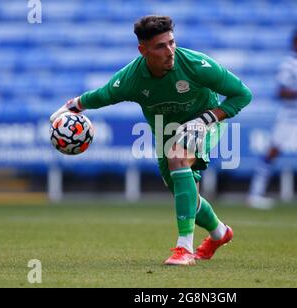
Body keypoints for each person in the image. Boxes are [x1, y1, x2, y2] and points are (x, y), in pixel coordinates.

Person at [50, 16, 252, 265]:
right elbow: (102, 95)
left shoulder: (197, 65)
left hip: (205, 121)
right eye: (160, 46)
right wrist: (70, 107)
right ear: (143, 50)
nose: (170, 51)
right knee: (185, 197)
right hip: (166, 133)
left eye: (172, 43)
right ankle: (220, 233)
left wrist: (207, 118)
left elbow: (242, 94)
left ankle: (184, 249)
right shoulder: (132, 79)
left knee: (178, 157)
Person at [248, 28, 297, 209]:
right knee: (273, 151)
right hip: (290, 117)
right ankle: (255, 194)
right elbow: (281, 91)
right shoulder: (288, 64)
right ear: (295, 43)